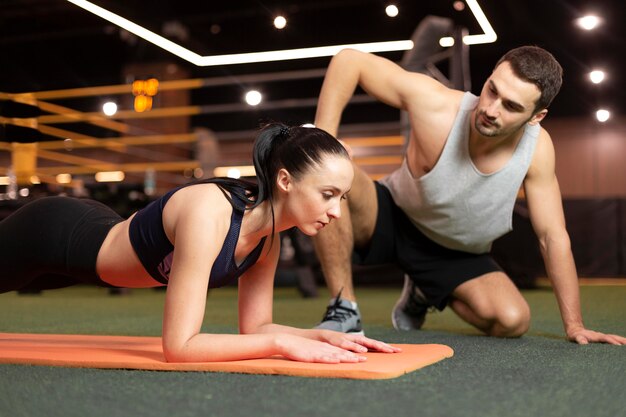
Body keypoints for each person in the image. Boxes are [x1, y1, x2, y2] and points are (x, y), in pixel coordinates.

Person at [0, 123, 401, 362]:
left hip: (83, 263)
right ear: (284, 181)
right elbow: (179, 346)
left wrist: (321, 336)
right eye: (328, 194)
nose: (335, 211)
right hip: (56, 235)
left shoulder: (267, 242)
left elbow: (256, 327)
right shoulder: (210, 214)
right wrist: (282, 345)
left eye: (342, 198)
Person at [312, 46, 625, 345]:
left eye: (511, 106)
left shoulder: (537, 150)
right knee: (328, 172)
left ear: (536, 117)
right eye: (492, 90)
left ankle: (424, 290)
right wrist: (323, 143)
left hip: (455, 252)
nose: (490, 109)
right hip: (391, 213)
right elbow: (349, 61)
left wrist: (574, 324)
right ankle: (344, 308)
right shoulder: (435, 103)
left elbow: (552, 236)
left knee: (512, 320)